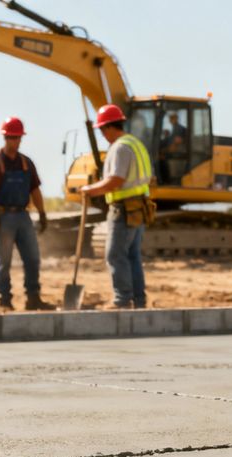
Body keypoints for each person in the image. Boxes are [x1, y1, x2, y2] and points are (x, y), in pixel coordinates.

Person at [0, 116, 53, 311]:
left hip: (23, 216)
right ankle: (4, 299)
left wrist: (42, 213)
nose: (14, 141)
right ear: (5, 138)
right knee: (4, 260)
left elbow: (35, 190)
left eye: (17, 137)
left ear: (21, 138)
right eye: (11, 137)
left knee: (33, 258)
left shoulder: (26, 163)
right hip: (3, 217)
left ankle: (33, 297)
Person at [80, 104, 154, 309]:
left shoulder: (120, 147)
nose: (102, 135)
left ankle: (122, 300)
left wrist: (90, 190)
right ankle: (138, 300)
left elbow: (116, 180)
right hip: (138, 208)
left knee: (115, 254)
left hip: (124, 209)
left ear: (110, 127)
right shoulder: (136, 144)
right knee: (132, 256)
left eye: (102, 130)